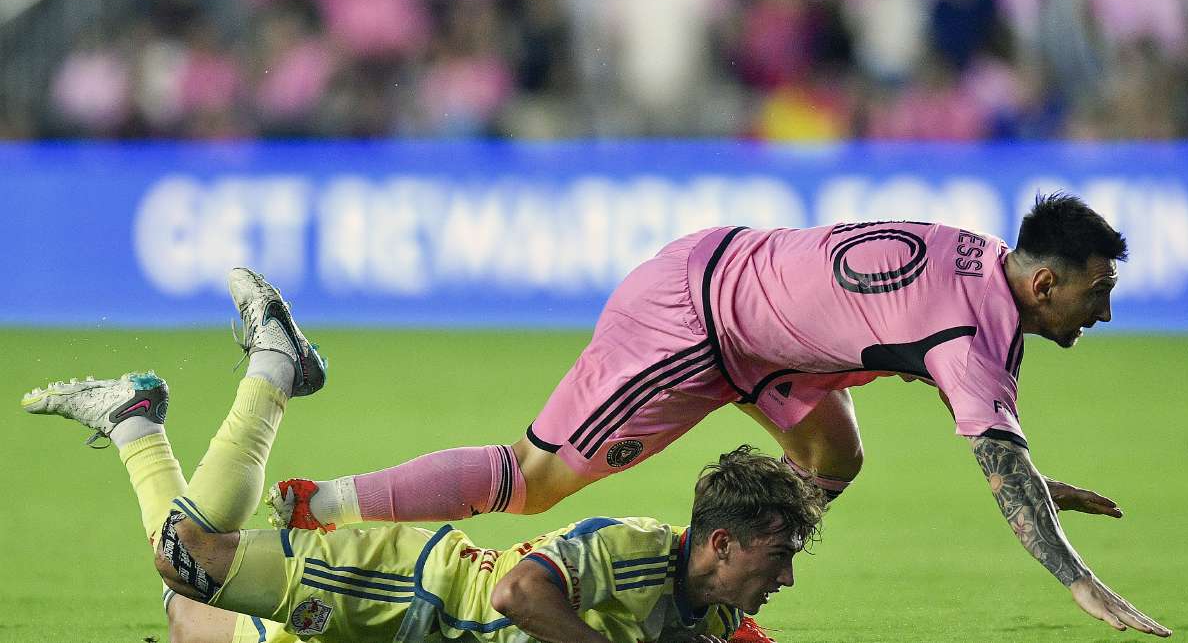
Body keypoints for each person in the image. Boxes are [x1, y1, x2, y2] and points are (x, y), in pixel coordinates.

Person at [271, 193, 1170, 637]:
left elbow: (979, 418)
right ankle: (323, 505)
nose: (1105, 311)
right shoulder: (971, 326)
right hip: (692, 320)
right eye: (1098, 293)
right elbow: (982, 428)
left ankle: (714, 600)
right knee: (531, 478)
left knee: (833, 454)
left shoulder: (988, 274)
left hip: (763, 336)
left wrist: (1031, 479)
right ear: (1045, 281)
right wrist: (1079, 582)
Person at [21, 268, 808, 642]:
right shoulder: (632, 548)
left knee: (190, 614)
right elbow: (521, 598)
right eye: (778, 556)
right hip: (406, 592)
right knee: (188, 562)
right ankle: (273, 368)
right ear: (718, 541)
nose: (788, 578)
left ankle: (134, 420)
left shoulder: (717, 613)